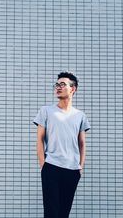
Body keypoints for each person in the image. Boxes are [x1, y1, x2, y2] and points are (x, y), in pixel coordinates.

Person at [34, 72, 91, 218]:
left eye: (62, 84)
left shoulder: (80, 116)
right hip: (51, 166)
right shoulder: (46, 111)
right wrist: (43, 165)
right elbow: (39, 139)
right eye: (57, 85)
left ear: (73, 89)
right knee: (51, 212)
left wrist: (80, 167)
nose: (58, 87)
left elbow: (82, 143)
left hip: (72, 169)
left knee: (64, 212)